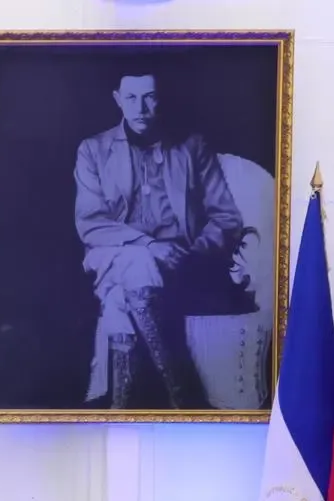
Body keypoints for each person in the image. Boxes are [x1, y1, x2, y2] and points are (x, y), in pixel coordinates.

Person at [73, 66, 253, 410]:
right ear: (117, 100)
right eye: (131, 98)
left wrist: (191, 253)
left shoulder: (192, 147)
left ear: (161, 99)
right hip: (111, 254)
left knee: (118, 300)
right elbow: (90, 223)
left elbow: (226, 219)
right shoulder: (93, 150)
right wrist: (149, 246)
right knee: (138, 260)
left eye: (149, 97)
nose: (140, 108)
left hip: (178, 262)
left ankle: (122, 408)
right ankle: (183, 395)